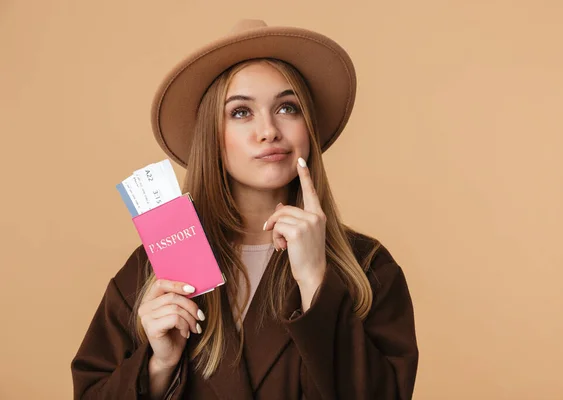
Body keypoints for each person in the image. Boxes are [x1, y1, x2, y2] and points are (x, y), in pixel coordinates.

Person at [71, 19, 419, 400]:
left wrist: (316, 282)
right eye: (240, 112)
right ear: (211, 137)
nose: (268, 130)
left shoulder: (368, 267)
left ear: (309, 129)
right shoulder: (152, 272)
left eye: (288, 108)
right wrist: (158, 367)